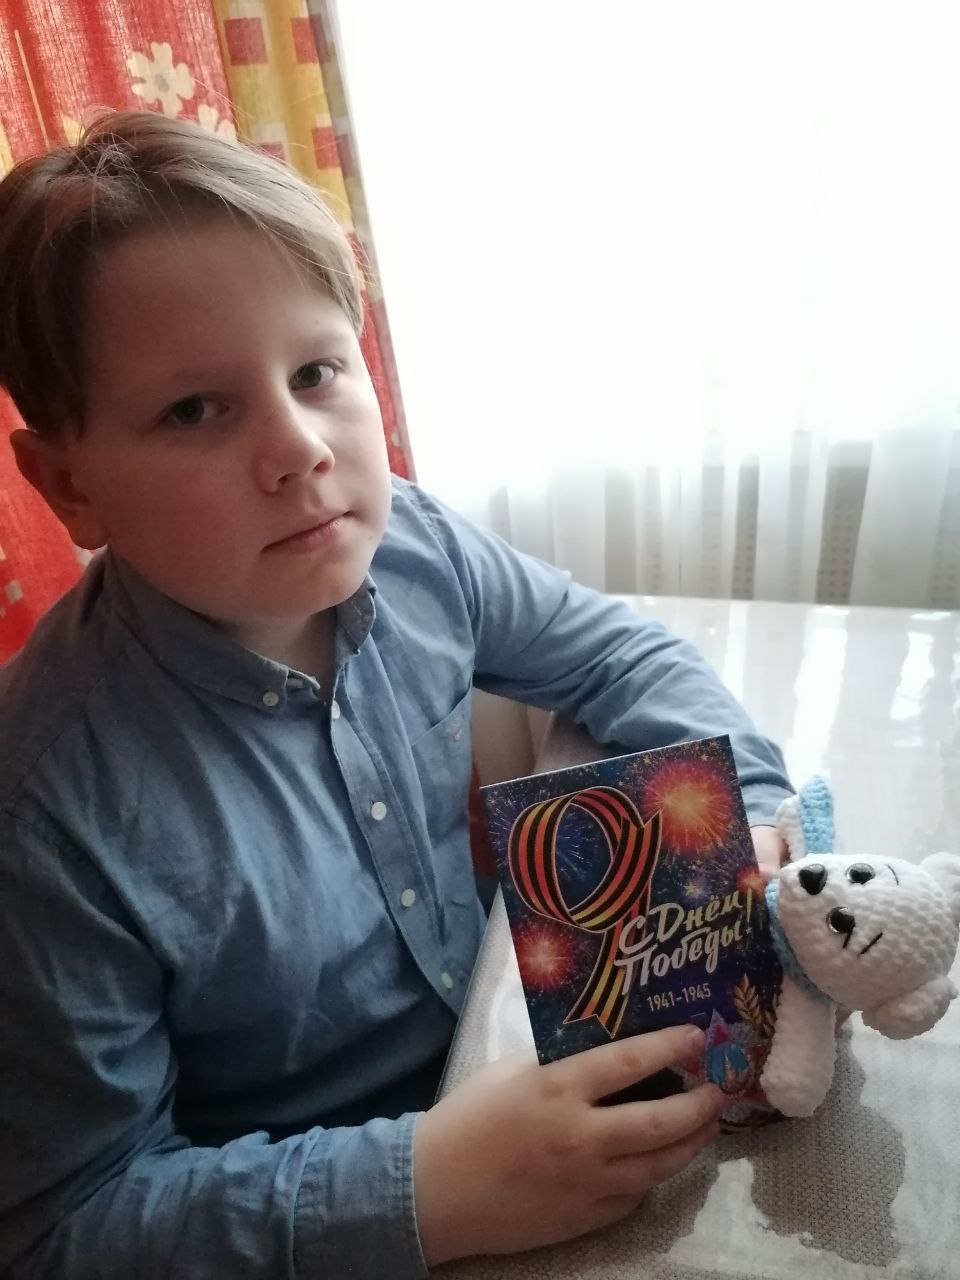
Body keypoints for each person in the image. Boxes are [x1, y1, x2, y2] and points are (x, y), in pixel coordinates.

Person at [0, 111, 792, 1279]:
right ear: (69, 482)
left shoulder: (414, 543)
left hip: (504, 1046)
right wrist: (429, 1184)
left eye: (315, 372)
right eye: (193, 409)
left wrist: (752, 810)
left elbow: (618, 654)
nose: (298, 449)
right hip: (315, 1211)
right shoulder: (42, 813)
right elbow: (67, 1220)